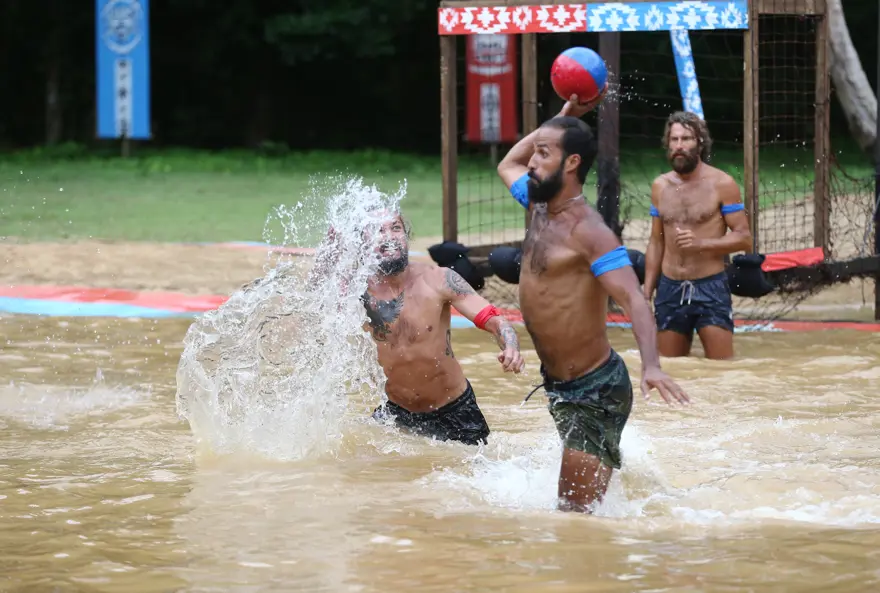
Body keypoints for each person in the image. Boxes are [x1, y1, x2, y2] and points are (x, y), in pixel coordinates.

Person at [496, 93, 691, 514]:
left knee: (574, 517)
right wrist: (559, 119)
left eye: (543, 154)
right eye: (536, 151)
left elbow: (634, 300)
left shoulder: (591, 231)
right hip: (561, 387)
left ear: (571, 164)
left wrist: (652, 365)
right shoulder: (537, 205)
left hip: (595, 390)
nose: (532, 161)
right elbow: (507, 163)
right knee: (585, 508)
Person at [336, 209, 525, 446]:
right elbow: (314, 311)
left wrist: (511, 346)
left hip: (454, 413)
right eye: (377, 231)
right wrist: (331, 252)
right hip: (396, 413)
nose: (389, 236)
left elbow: (494, 319)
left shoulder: (440, 279)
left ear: (406, 236)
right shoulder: (357, 290)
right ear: (362, 243)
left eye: (396, 228)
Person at [642, 111, 753, 360]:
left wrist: (701, 244)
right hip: (669, 288)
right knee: (670, 368)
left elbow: (744, 237)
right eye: (674, 140)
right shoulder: (660, 186)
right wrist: (646, 293)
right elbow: (656, 241)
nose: (679, 146)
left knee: (720, 370)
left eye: (686, 139)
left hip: (710, 287)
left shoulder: (722, 184)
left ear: (700, 143)